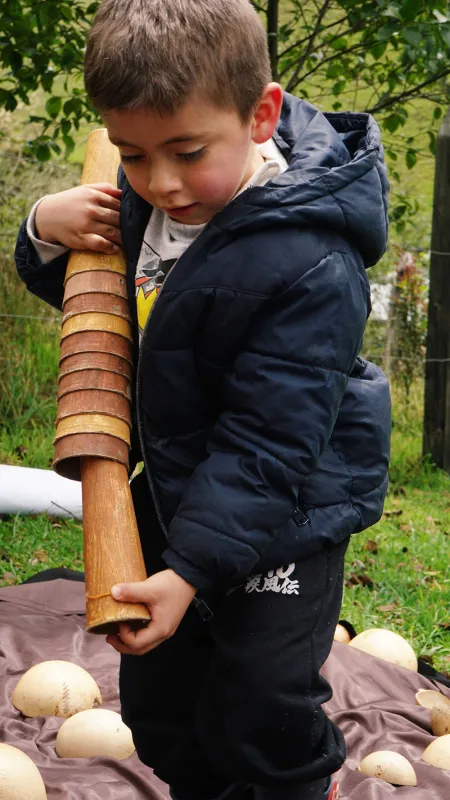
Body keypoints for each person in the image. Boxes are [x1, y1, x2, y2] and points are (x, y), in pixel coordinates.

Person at [15, 1, 391, 798]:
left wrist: (188, 572)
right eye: (132, 153)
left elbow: (270, 442)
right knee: (160, 703)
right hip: (182, 484)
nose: (159, 182)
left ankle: (299, 788)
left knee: (261, 698)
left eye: (185, 152)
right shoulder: (156, 198)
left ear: (261, 114)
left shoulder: (311, 264)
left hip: (288, 504)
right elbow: (113, 308)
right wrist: (46, 231)